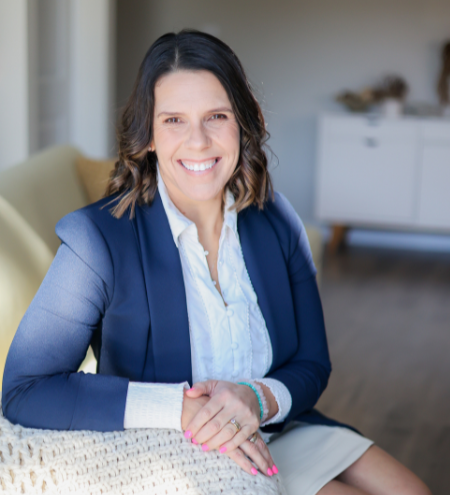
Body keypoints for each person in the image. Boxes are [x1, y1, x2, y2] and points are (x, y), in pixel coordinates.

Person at [2, 30, 430, 495]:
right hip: (189, 449)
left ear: (244, 122)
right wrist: (181, 408)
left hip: (281, 427)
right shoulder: (97, 239)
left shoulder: (277, 220)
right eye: (173, 120)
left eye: (216, 116)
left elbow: (312, 362)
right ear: (146, 136)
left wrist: (257, 397)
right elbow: (25, 389)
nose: (199, 141)